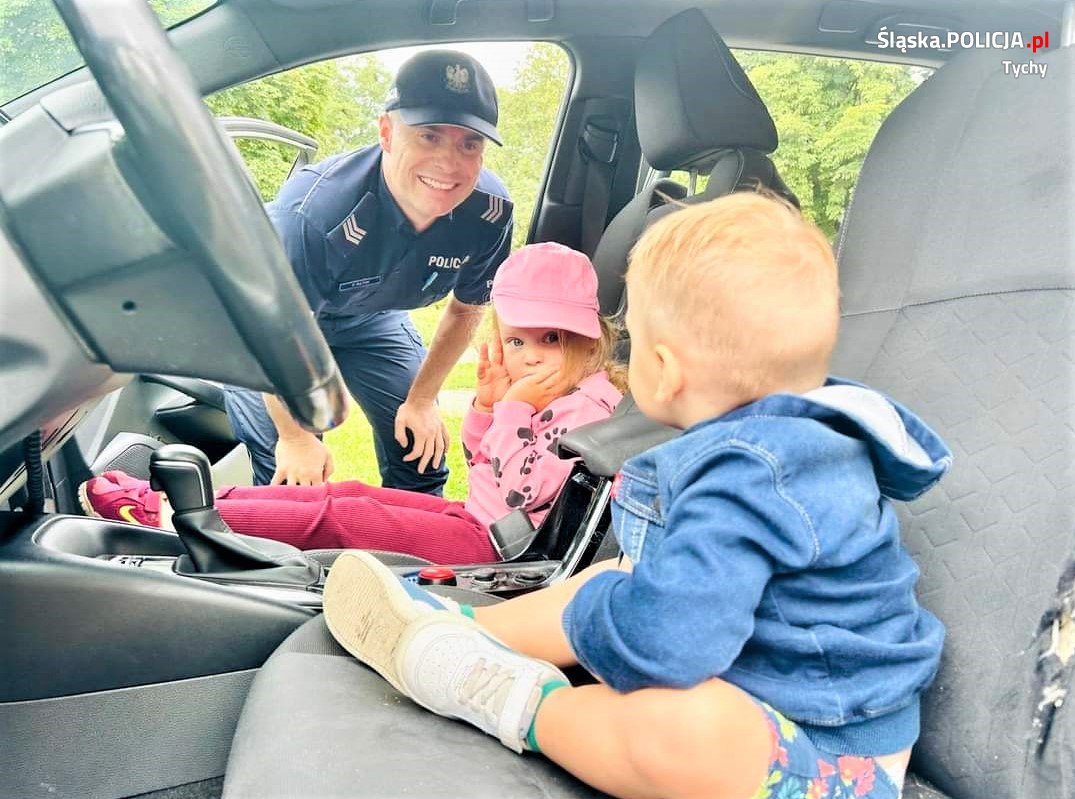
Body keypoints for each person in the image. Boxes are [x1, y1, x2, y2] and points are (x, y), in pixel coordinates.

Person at [319, 193, 953, 799]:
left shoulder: (749, 477)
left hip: (827, 758)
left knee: (688, 729)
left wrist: (594, 627)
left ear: (665, 369)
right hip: (767, 684)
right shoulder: (783, 446)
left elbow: (670, 644)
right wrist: (605, 605)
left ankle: (517, 700)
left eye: (633, 342)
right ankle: (465, 628)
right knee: (616, 575)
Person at [80, 244, 623, 565]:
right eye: (517, 340)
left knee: (345, 517)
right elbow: (482, 463)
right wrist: (487, 406)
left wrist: (514, 411)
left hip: (500, 547)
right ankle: (189, 499)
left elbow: (520, 491)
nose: (531, 356)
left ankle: (168, 517)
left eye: (552, 338)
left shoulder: (587, 409)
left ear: (590, 338)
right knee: (351, 492)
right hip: (481, 519)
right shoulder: (549, 393)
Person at [225, 49, 515, 495]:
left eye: (469, 144)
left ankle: (410, 541)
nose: (449, 163)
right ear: (386, 133)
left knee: (421, 454)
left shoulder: (488, 214)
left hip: (373, 319)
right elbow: (274, 334)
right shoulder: (313, 214)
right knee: (292, 481)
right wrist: (296, 438)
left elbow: (466, 310)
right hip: (274, 325)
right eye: (429, 136)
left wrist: (421, 400)